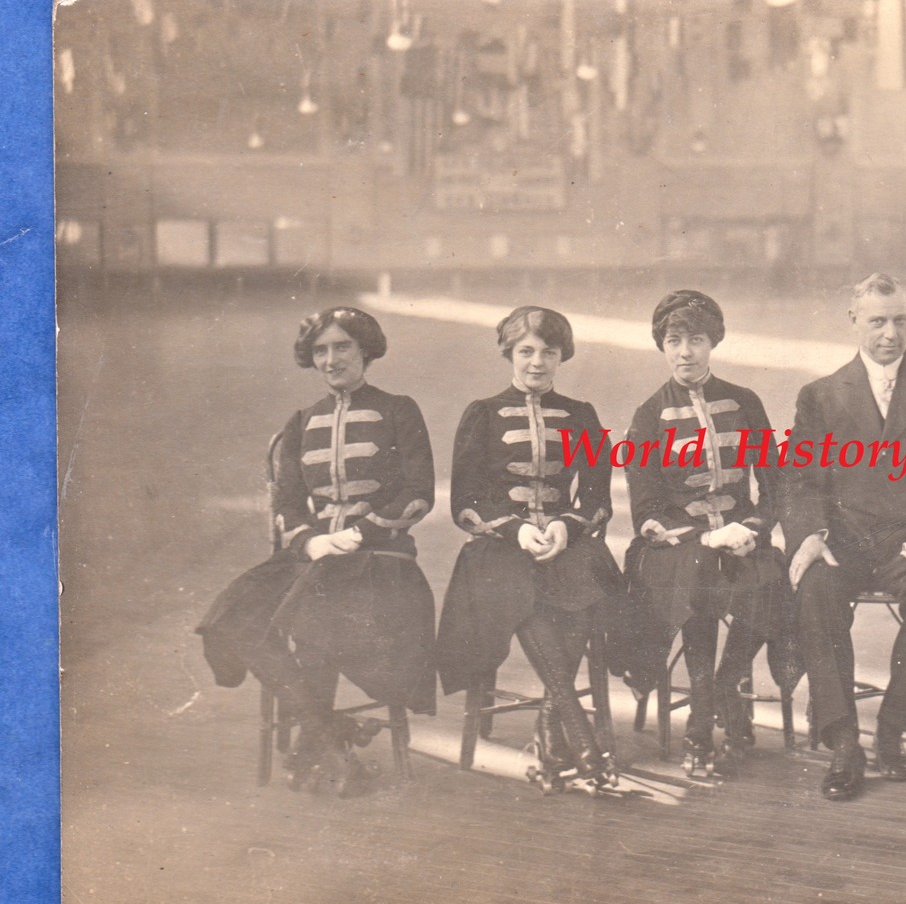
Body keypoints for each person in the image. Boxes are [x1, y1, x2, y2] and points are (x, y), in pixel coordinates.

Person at [197, 306, 436, 794]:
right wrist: (312, 539)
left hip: (379, 557)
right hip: (315, 556)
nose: (330, 359)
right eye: (321, 350)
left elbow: (418, 493)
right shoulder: (302, 421)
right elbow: (287, 502)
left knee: (312, 613)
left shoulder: (398, 410)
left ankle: (322, 744)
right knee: (234, 615)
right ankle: (331, 734)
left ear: (364, 350)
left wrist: (360, 534)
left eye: (341, 347)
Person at [784, 273, 906, 801]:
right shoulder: (819, 397)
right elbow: (801, 480)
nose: (890, 333)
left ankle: (892, 729)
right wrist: (809, 536)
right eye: (877, 321)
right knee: (814, 589)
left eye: (899, 320)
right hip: (844, 541)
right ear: (855, 321)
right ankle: (844, 740)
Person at [434, 306, 623, 790]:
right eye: (526, 351)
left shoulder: (582, 416)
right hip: (500, 551)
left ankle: (552, 738)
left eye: (549, 352)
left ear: (562, 357)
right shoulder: (483, 414)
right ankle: (579, 738)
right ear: (509, 354)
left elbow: (598, 500)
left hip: (566, 544)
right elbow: (465, 504)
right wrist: (515, 529)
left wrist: (566, 525)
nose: (537, 362)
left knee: (586, 590)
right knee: (526, 596)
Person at [621, 290, 793, 777]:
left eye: (696, 339)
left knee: (770, 581)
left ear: (712, 341)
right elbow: (646, 507)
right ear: (662, 345)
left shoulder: (744, 402)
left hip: (742, 538)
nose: (686, 352)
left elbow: (775, 484)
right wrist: (700, 537)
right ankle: (700, 727)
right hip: (678, 547)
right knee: (699, 580)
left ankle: (723, 687)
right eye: (674, 340)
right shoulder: (649, 414)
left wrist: (756, 528)